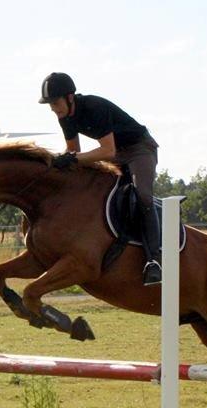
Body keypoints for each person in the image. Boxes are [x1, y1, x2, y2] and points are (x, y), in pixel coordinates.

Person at [38, 72, 162, 286]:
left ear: (69, 97)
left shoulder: (95, 108)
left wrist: (71, 159)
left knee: (141, 195)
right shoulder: (65, 117)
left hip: (139, 149)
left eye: (55, 102)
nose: (53, 108)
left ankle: (155, 261)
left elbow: (107, 151)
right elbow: (74, 152)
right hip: (116, 153)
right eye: (50, 104)